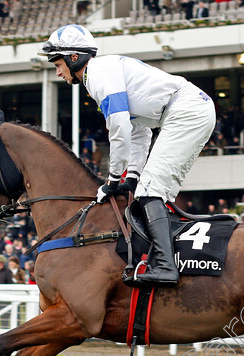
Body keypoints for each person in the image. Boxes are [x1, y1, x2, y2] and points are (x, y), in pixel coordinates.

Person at [40, 25, 215, 286]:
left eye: (58, 63)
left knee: (151, 191)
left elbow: (120, 128)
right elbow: (140, 131)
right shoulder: (101, 74)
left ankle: (166, 267)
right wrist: (131, 175)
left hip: (185, 112)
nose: (57, 71)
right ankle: (170, 258)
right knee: (152, 190)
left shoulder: (99, 76)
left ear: (73, 58)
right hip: (188, 111)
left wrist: (112, 179)